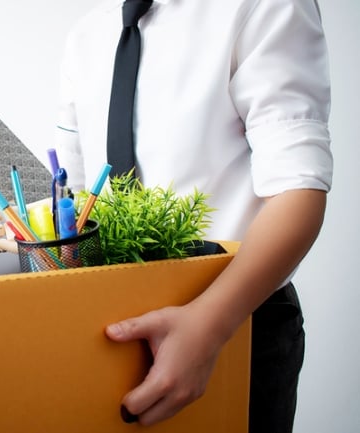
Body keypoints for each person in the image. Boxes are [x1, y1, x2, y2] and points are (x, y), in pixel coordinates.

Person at [54, 0, 333, 432]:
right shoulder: (88, 34)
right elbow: (71, 194)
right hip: (115, 323)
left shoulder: (263, 6)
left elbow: (298, 189)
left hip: (236, 320)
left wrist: (210, 326)